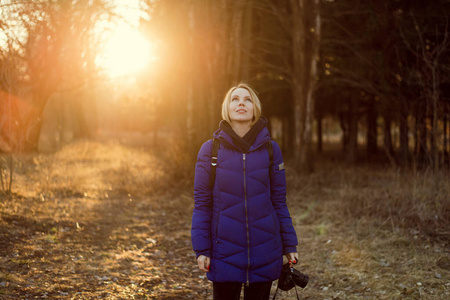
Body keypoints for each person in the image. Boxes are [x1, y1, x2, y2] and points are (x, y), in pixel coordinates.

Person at [191, 83, 298, 300]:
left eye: (247, 99)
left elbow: (279, 201)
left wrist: (289, 244)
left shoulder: (271, 150)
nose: (241, 103)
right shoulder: (209, 150)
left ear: (255, 109)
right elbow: (202, 204)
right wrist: (202, 249)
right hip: (223, 253)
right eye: (235, 99)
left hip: (265, 250)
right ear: (227, 109)